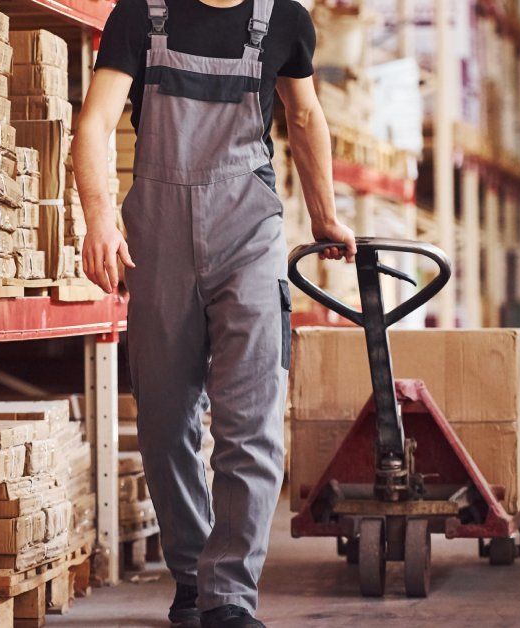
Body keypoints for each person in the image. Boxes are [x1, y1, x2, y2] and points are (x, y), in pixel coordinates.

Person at [72, 0, 357, 626]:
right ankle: (194, 573)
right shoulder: (139, 16)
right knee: (166, 420)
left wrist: (324, 213)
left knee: (250, 420)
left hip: (248, 232)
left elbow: (305, 115)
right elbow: (93, 123)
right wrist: (98, 218)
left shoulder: (283, 18)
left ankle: (229, 593)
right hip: (158, 237)